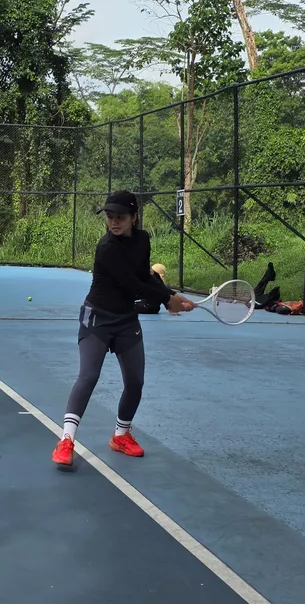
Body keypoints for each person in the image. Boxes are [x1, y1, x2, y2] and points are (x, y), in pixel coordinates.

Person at [51, 190, 195, 468]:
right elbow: (131, 284)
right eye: (109, 217)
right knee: (89, 376)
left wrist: (170, 294)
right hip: (98, 319)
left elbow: (144, 276)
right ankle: (66, 440)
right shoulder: (107, 247)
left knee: (135, 381)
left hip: (126, 320)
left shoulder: (142, 240)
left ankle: (121, 435)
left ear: (134, 217)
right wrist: (168, 300)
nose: (114, 222)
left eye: (120, 217)